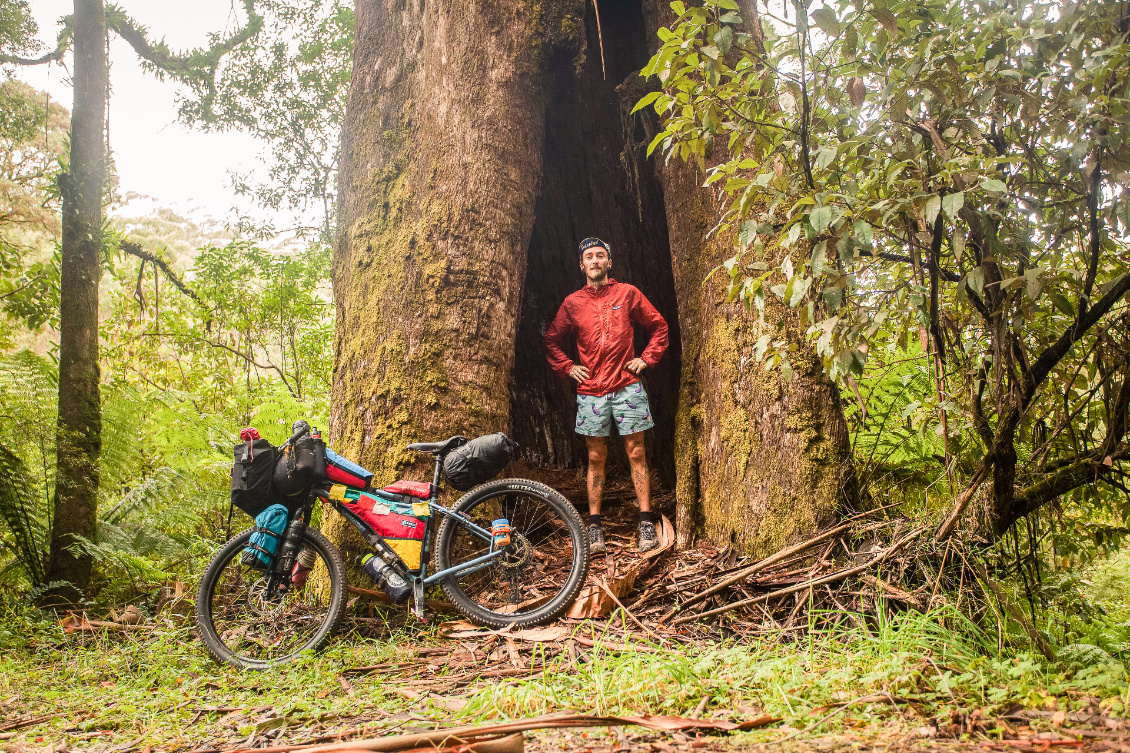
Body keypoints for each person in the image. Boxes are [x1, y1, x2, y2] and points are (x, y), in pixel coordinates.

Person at [544, 237, 669, 553]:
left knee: (636, 453)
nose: (595, 261)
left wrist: (647, 358)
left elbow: (659, 326)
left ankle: (644, 522)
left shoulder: (627, 294)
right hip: (591, 392)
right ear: (582, 265)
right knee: (596, 457)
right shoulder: (573, 303)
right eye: (590, 256)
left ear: (609, 262)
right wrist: (568, 368)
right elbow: (552, 339)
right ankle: (595, 527)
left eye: (601, 256)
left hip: (627, 387)